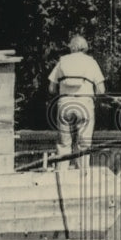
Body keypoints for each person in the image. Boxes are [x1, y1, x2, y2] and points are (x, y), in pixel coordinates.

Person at [47, 35, 106, 169]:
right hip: (84, 103)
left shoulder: (62, 61)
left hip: (65, 104)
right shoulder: (91, 62)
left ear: (71, 47)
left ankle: (61, 176)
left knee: (63, 144)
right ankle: (82, 175)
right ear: (85, 47)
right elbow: (101, 90)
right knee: (83, 144)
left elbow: (51, 88)